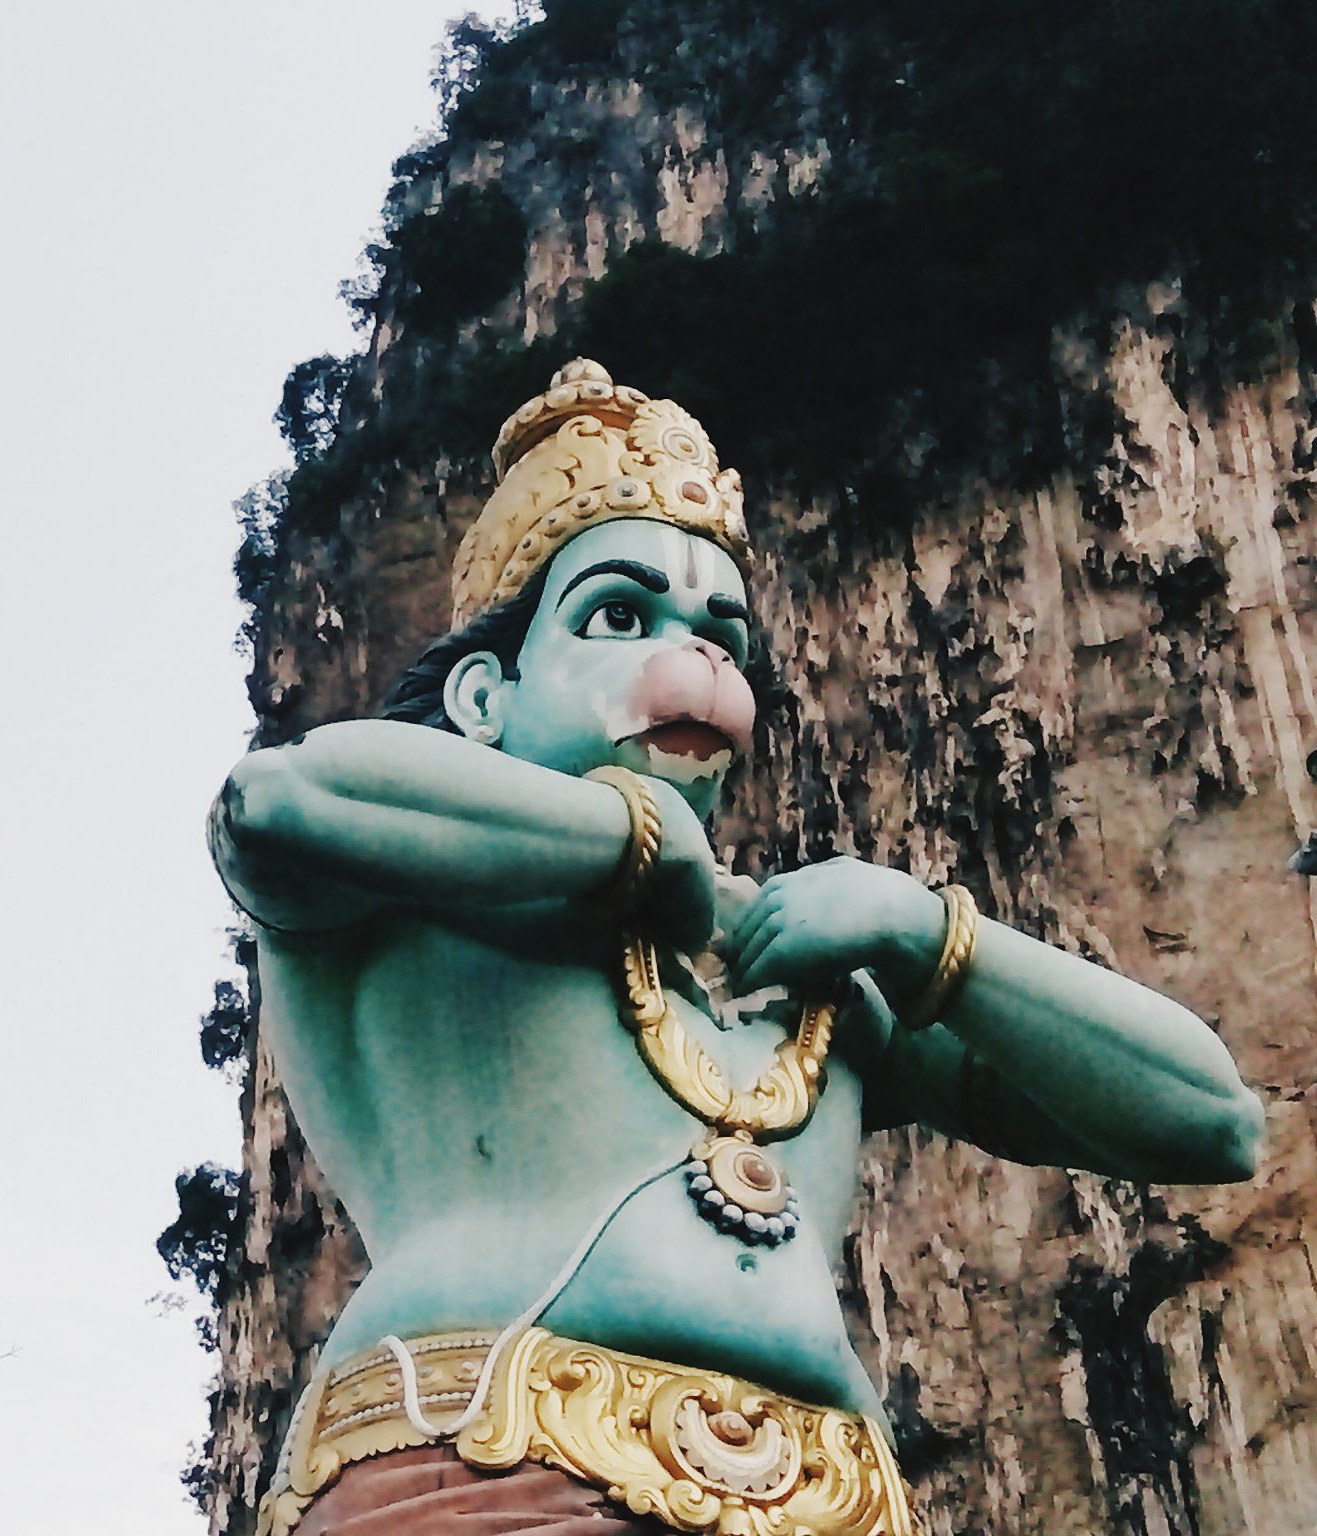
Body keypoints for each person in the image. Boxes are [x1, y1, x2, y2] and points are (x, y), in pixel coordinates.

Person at [209, 359, 1264, 1536]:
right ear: (480, 698)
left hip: (835, 1499)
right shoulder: (398, 889)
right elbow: (273, 803)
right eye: (618, 616)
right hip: (490, 1458)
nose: (697, 657)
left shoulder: (809, 981)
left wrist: (926, 935)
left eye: (722, 633)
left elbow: (1210, 1120)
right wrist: (634, 838)